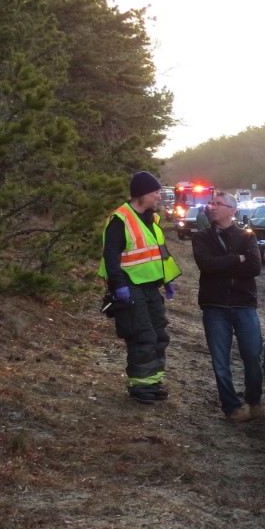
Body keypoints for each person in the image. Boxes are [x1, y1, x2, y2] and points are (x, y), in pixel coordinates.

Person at [99, 171, 182, 404]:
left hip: (150, 287)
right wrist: (119, 286)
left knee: (159, 334)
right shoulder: (120, 219)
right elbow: (110, 257)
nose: (159, 196)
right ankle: (140, 386)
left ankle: (153, 382)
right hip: (130, 287)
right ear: (142, 194)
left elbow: (159, 253)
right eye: (156, 191)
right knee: (142, 335)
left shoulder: (151, 219)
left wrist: (167, 280)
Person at [192, 192, 264, 422]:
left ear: (232, 210)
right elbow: (206, 265)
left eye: (218, 204)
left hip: (244, 304)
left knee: (252, 355)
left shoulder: (246, 236)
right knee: (220, 360)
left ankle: (254, 400)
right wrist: (236, 259)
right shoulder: (202, 237)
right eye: (212, 203)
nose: (212, 207)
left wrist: (222, 264)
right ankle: (231, 407)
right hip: (214, 306)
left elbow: (254, 267)